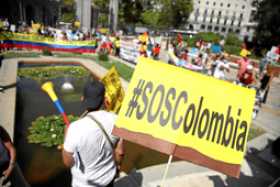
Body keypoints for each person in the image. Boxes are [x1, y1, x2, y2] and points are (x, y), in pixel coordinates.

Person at [62, 80, 124, 187]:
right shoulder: (117, 120)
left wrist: (66, 136)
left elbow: (68, 162)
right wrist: (117, 166)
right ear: (105, 100)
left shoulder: (75, 128)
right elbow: (120, 152)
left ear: (82, 99)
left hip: (84, 184)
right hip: (108, 180)